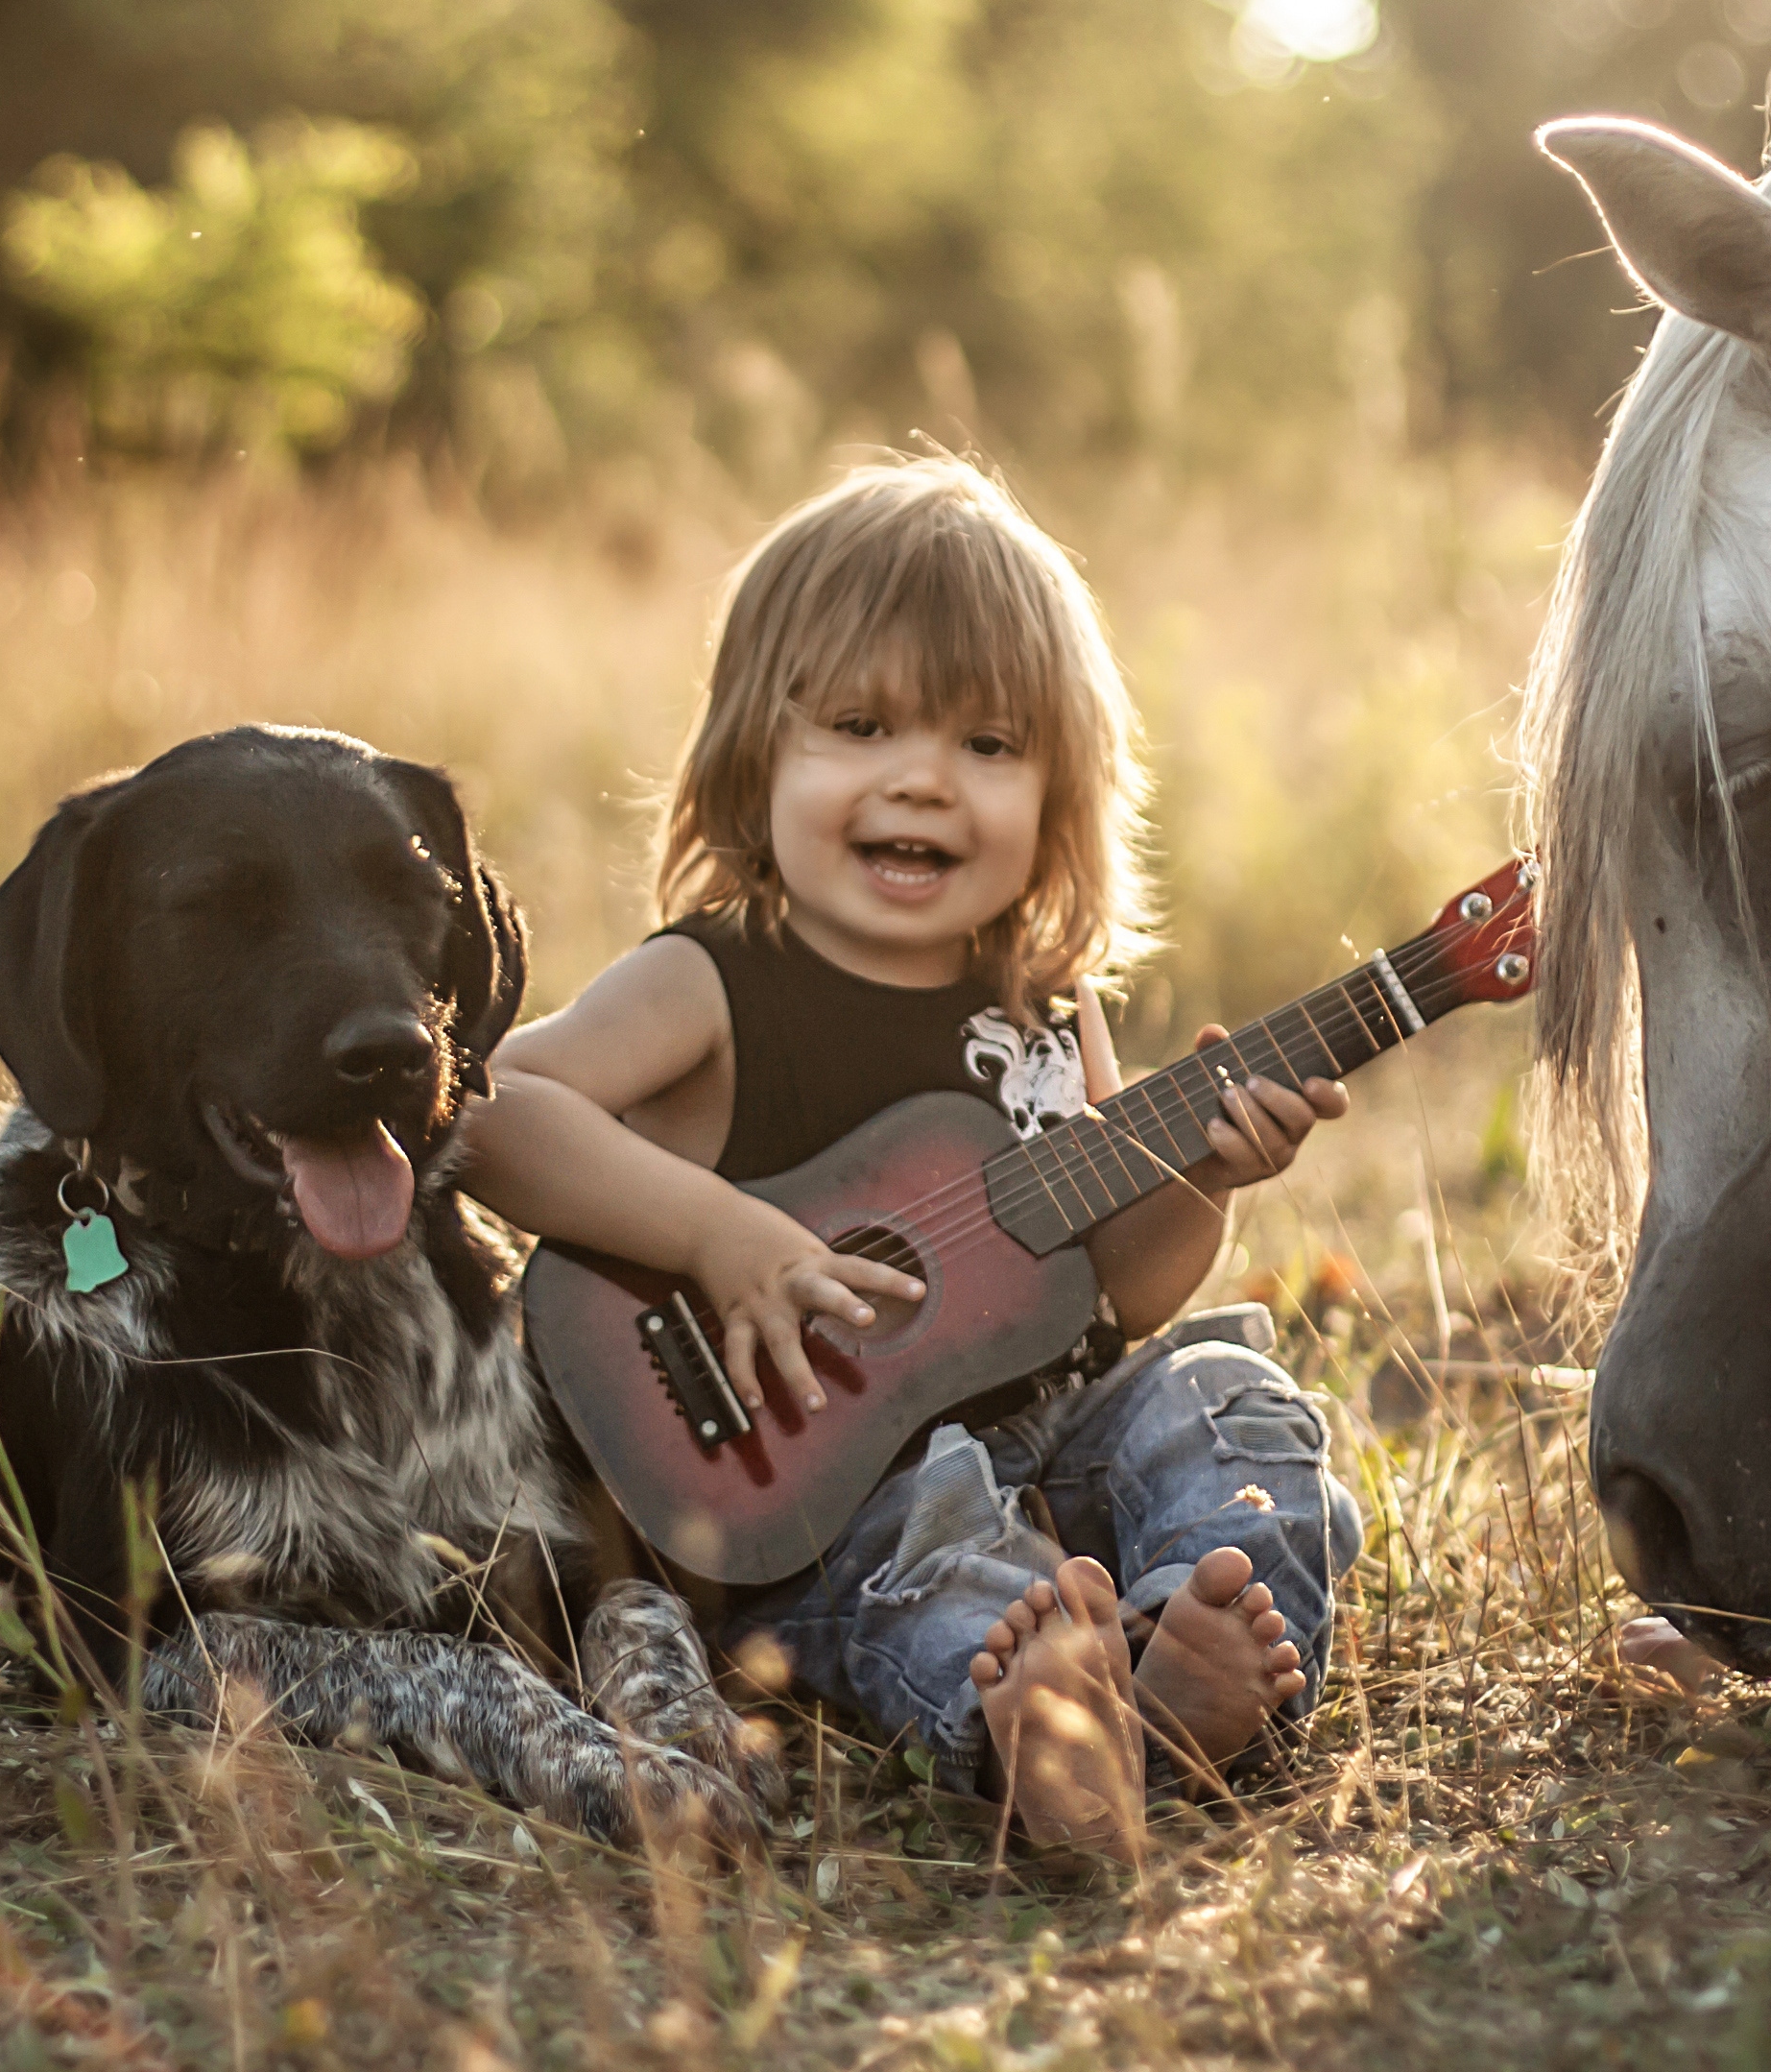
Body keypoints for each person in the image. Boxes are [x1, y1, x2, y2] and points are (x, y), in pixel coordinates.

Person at [462, 457, 1363, 1858]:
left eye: (989, 747)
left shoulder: (1050, 1004)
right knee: (939, 1553)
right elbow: (496, 1109)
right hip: (814, 1497)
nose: (925, 781)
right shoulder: (713, 980)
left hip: (1056, 1440)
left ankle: (1183, 1660)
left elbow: (1121, 1300)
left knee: (1231, 1399)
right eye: (864, 725)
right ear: (757, 756)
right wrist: (717, 1235)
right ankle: (1040, 1735)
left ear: (1061, 793)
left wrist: (1202, 1179)